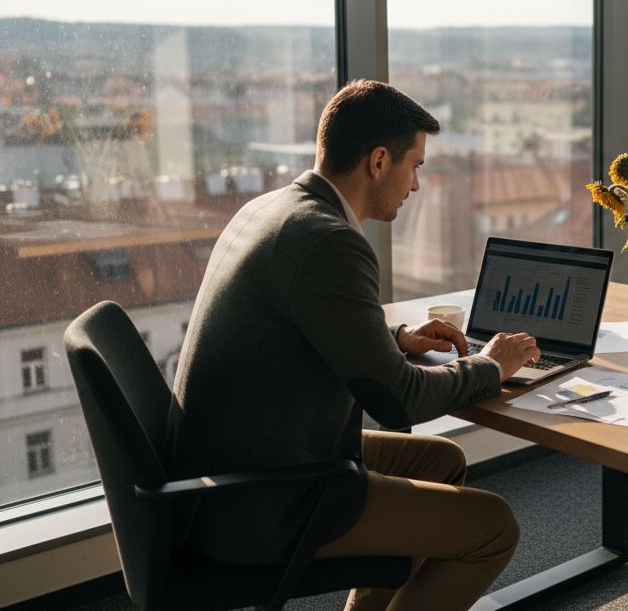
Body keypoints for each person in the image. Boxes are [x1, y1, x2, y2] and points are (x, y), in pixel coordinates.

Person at [168, 79, 542, 611]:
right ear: (379, 161)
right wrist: (490, 366)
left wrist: (396, 338)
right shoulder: (329, 240)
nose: (416, 185)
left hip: (231, 466)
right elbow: (398, 401)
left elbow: (301, 326)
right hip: (257, 500)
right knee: (495, 527)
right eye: (415, 167)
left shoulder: (274, 210)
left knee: (442, 465)